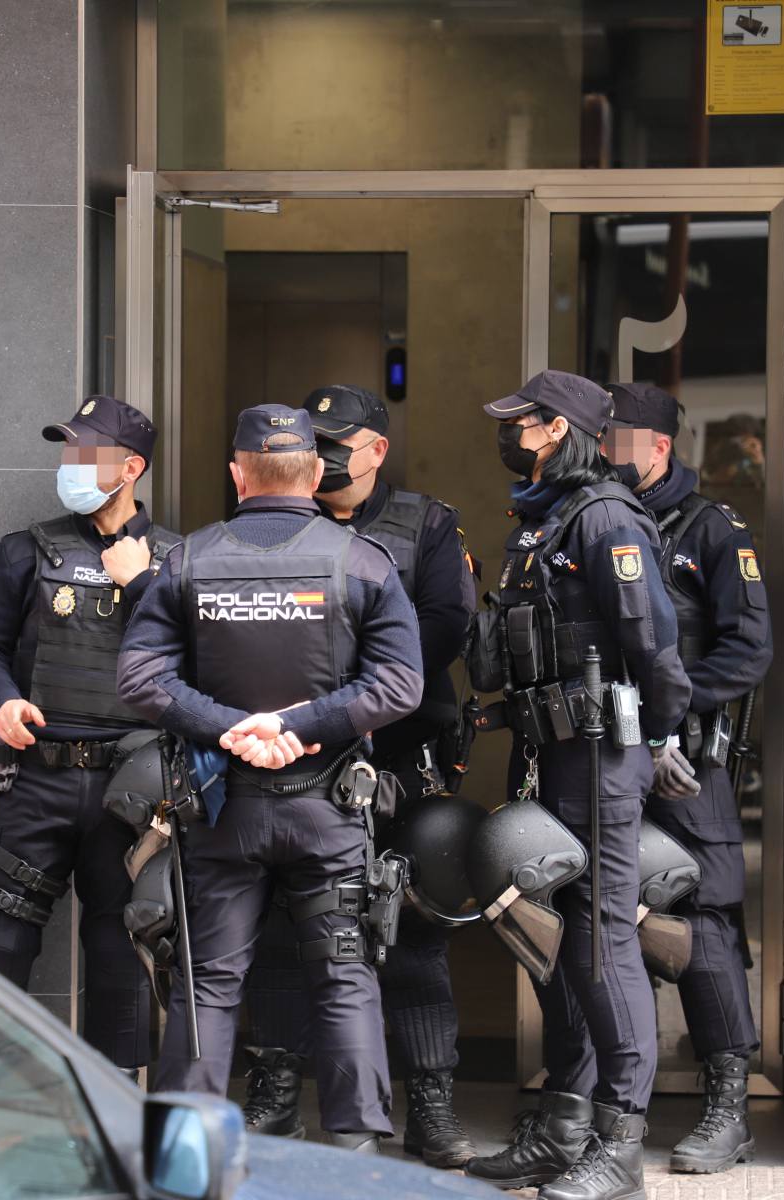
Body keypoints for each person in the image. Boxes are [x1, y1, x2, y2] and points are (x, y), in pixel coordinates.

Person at [118, 403, 424, 1152]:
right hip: (326, 810)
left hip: (225, 810)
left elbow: (140, 679)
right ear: (317, 474)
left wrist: (228, 727)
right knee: (344, 976)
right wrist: (298, 728)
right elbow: (400, 686)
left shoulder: (187, 560)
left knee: (208, 984)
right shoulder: (361, 561)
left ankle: (185, 1155)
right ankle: (354, 1148)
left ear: (236, 474)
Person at [462, 371, 690, 1200]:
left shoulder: (603, 516)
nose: (506, 433)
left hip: (600, 750)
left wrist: (660, 734)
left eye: (516, 421)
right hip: (551, 748)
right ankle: (565, 1124)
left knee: (601, 937)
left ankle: (621, 1146)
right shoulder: (548, 518)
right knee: (554, 936)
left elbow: (653, 641)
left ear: (555, 428)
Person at [240, 385, 479, 1166]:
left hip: (398, 760)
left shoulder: (428, 526)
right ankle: (275, 1090)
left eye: (341, 441)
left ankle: (431, 1104)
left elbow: (443, 627)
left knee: (407, 929)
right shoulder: (268, 528)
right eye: (317, 441)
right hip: (299, 764)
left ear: (377, 448)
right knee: (283, 927)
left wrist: (340, 691)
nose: (328, 455)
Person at [0, 395, 178, 1074]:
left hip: (132, 791)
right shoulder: (27, 551)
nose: (71, 464)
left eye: (87, 452)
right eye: (67, 451)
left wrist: (140, 586)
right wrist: (1, 702)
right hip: (37, 777)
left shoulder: (175, 560)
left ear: (130, 466)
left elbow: (193, 663)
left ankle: (115, 1097)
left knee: (123, 947)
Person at [602, 381, 770, 1173]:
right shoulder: (596, 521)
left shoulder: (710, 529)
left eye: (617, 441)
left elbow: (747, 650)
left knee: (704, 922)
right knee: (601, 913)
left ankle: (726, 1105)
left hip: (683, 765)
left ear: (658, 447)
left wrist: (668, 712)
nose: (604, 454)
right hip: (603, 756)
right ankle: (601, 1105)